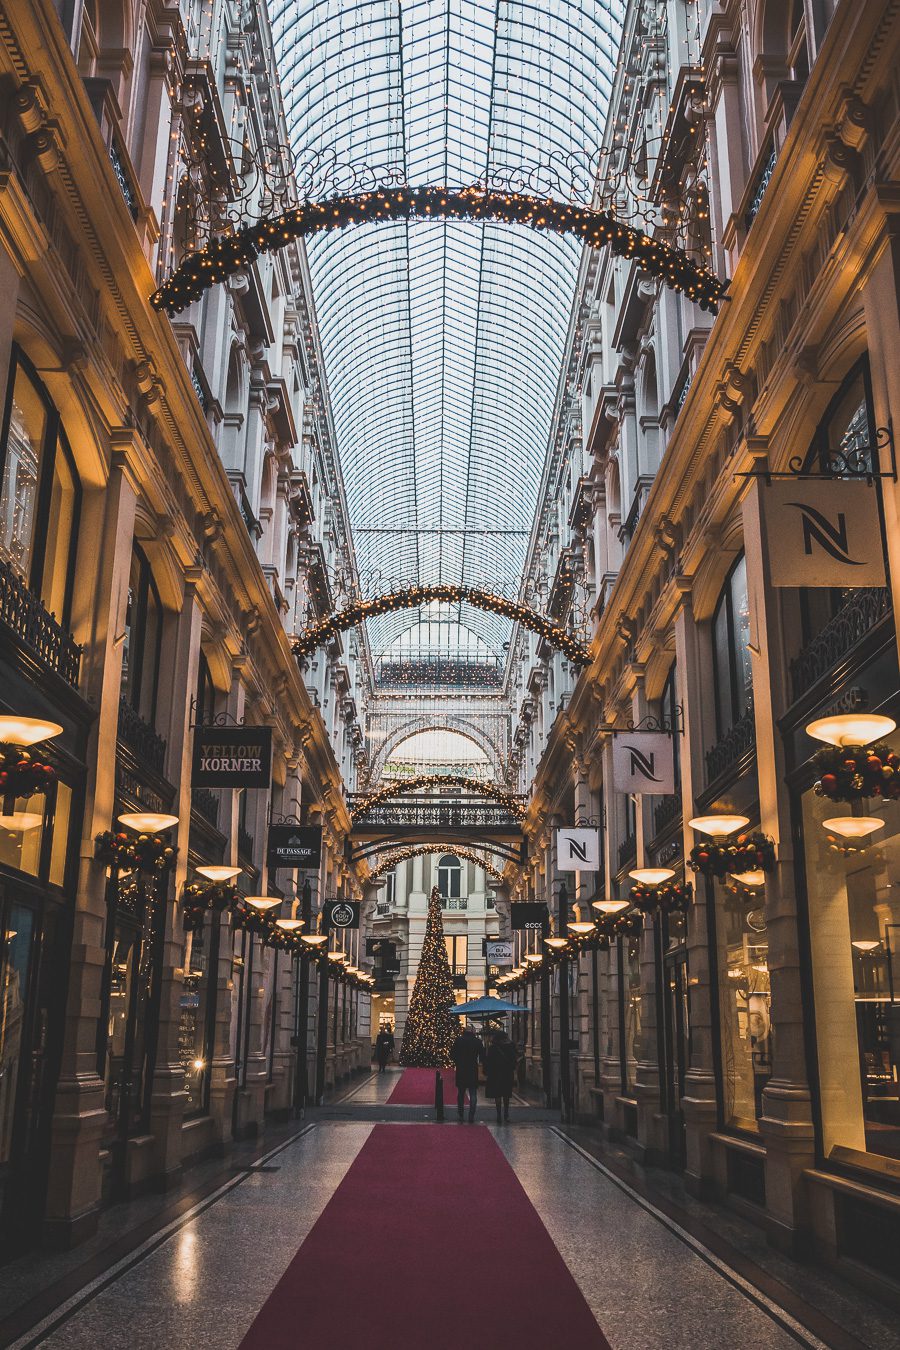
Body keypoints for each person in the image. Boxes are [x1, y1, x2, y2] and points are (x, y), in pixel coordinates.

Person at [450, 1023, 484, 1122]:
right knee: (473, 1093)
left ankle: (461, 1113)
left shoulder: (458, 1040)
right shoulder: (477, 1041)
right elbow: (482, 1056)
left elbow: (452, 1054)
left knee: (461, 1093)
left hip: (461, 1069)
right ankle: (471, 1115)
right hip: (472, 1069)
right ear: (472, 1032)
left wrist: (457, 1062)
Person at [485, 1027, 517, 1123]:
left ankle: (499, 1115)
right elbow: (513, 1061)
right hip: (507, 1074)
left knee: (497, 1095)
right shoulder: (510, 1047)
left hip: (495, 1074)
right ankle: (506, 1114)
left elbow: (488, 1061)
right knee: (506, 1094)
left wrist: (487, 1072)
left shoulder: (492, 1048)